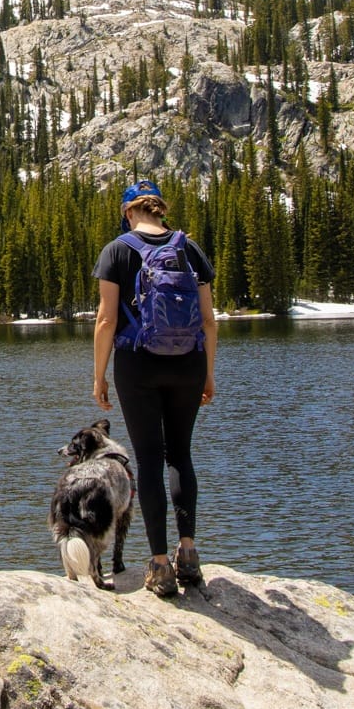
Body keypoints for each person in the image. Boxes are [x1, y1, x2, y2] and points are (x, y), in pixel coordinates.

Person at [91, 178, 216, 597]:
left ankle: (160, 566)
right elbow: (209, 320)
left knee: (148, 459)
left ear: (128, 212)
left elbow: (106, 320)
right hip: (190, 364)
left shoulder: (117, 250)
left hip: (137, 364)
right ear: (158, 209)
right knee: (181, 453)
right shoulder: (189, 248)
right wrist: (209, 374)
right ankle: (190, 553)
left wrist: (99, 376)